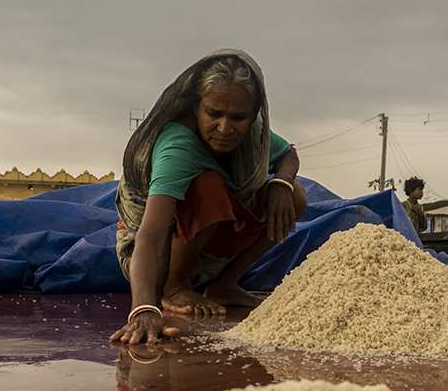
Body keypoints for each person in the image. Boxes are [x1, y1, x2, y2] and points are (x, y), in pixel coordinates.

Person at [110, 49, 306, 345]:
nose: (225, 128)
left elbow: (288, 154)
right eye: (214, 114)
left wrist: (281, 183)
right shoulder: (177, 148)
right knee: (208, 184)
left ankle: (225, 285)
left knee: (296, 195)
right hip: (159, 257)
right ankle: (175, 289)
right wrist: (143, 308)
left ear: (254, 115)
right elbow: (149, 235)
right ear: (196, 107)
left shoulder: (254, 133)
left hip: (209, 249)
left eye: (238, 117)